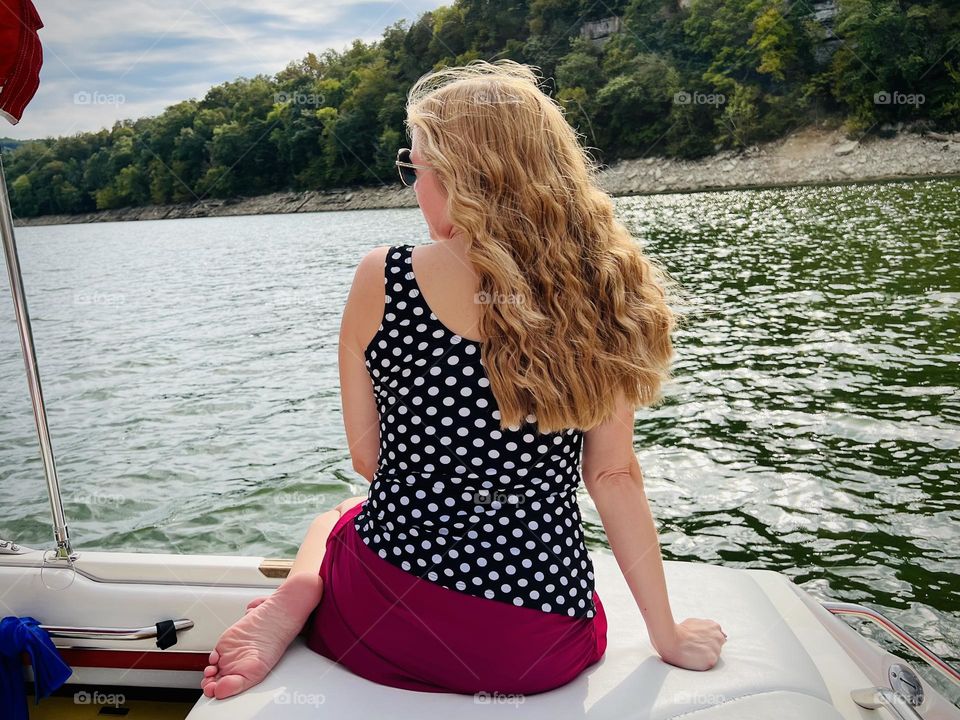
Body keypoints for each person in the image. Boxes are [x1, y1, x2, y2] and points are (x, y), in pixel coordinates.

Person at [200, 59, 727, 701]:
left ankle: (304, 589)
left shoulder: (384, 278)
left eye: (414, 168)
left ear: (457, 178)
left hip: (386, 618)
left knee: (337, 515)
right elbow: (613, 477)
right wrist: (666, 633)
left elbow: (370, 460)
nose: (412, 187)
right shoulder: (604, 291)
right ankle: (313, 586)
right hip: (539, 641)